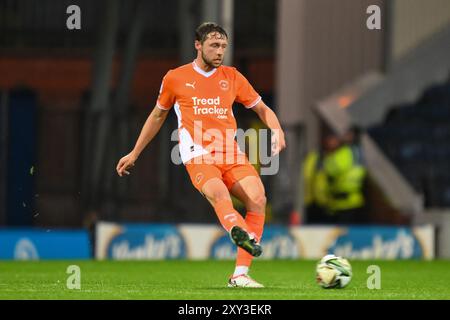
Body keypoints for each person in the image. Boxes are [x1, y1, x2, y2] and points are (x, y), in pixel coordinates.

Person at [116, 22, 286, 288]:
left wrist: (276, 131)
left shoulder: (232, 77)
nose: (220, 52)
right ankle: (236, 230)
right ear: (198, 45)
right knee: (218, 193)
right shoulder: (175, 77)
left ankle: (240, 274)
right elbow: (157, 115)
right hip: (197, 151)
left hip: (230, 150)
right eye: (214, 46)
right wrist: (135, 152)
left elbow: (262, 108)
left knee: (258, 197)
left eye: (223, 47)